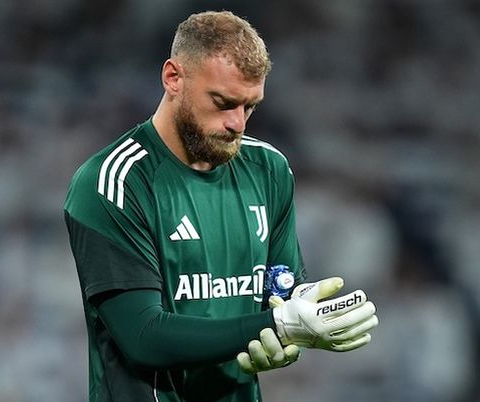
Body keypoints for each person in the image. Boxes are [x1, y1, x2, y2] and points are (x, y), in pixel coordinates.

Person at [64, 10, 379, 402]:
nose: (237, 123)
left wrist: (294, 326)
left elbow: (278, 294)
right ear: (173, 78)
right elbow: (143, 336)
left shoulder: (268, 169)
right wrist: (279, 325)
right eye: (223, 102)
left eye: (250, 106)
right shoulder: (114, 181)